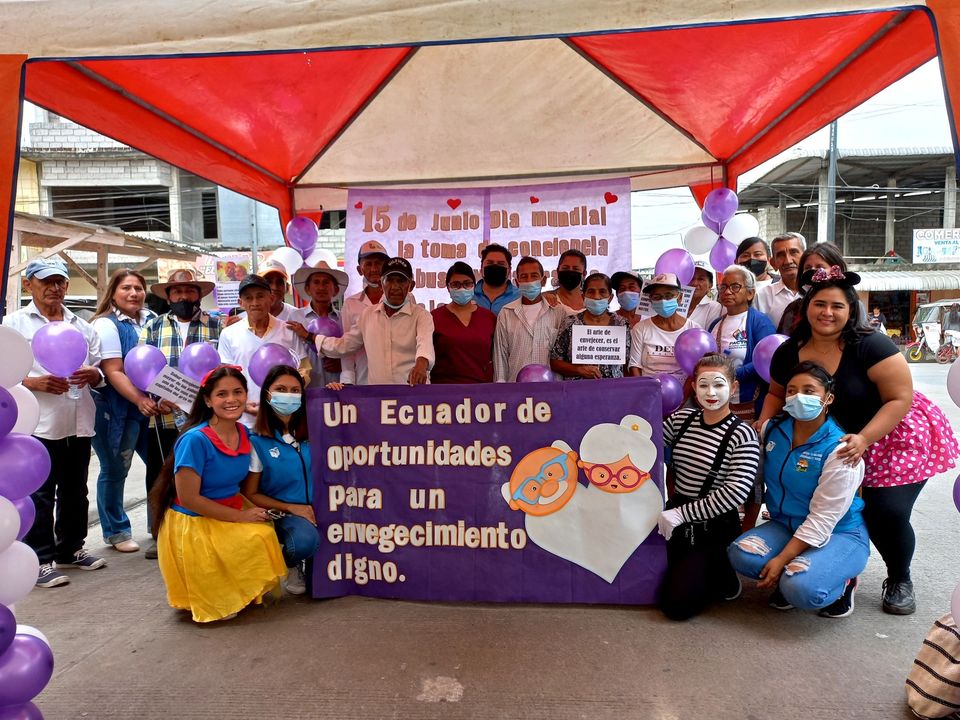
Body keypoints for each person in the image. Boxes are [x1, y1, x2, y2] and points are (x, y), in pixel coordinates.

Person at [760, 266, 960, 615]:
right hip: (826, 440)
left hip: (889, 435)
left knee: (885, 512)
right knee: (818, 506)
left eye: (837, 305)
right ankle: (830, 573)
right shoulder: (789, 351)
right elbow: (776, 393)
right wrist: (764, 424)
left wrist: (866, 438)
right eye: (820, 304)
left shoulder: (871, 345)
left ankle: (899, 577)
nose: (827, 312)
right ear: (807, 307)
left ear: (851, 309)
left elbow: (900, 398)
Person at [729, 362, 869, 618]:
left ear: (828, 398)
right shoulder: (771, 430)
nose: (798, 397)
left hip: (838, 531)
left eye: (809, 390)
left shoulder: (840, 451)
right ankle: (794, 571)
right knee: (741, 555)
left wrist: (781, 559)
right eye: (792, 391)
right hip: (785, 524)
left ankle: (844, 582)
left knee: (801, 589)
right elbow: (753, 479)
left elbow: (823, 518)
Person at [150, 365, 286, 623]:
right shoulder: (195, 440)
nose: (231, 399)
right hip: (195, 521)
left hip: (230, 507)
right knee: (250, 540)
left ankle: (236, 587)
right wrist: (241, 517)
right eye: (222, 394)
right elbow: (190, 499)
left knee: (262, 534)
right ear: (207, 400)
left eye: (238, 392)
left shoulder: (244, 433)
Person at [3, 256, 107, 587]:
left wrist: (95, 375)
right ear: (28, 284)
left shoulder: (82, 326)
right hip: (36, 424)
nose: (54, 288)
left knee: (76, 489)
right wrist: (33, 382)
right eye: (46, 281)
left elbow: (101, 369)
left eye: (60, 281)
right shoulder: (13, 326)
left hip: (78, 420)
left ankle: (71, 549)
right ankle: (41, 559)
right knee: (41, 494)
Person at [656, 354, 760, 621]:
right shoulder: (682, 420)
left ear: (733, 387)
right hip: (675, 515)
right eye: (703, 385)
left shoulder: (743, 434)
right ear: (693, 386)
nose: (710, 393)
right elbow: (646, 440)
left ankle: (723, 574)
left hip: (713, 523)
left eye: (718, 384)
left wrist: (682, 514)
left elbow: (736, 491)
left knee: (676, 606)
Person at [140, 267, 221, 559]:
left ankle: (203, 528)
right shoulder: (153, 327)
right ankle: (160, 533)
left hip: (204, 418)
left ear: (198, 295)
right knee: (160, 476)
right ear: (168, 297)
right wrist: (154, 397)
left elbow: (222, 367)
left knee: (201, 474)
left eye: (189, 291)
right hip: (162, 417)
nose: (183, 296)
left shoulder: (217, 326)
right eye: (177, 292)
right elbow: (141, 364)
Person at [91, 268, 159, 553]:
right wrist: (140, 400)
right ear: (113, 293)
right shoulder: (106, 325)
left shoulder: (152, 319)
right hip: (115, 407)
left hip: (149, 408)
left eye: (138, 288)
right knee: (116, 467)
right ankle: (116, 531)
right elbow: (113, 370)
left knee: (159, 465)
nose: (133, 293)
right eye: (126, 288)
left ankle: (159, 525)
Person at [241, 365, 319, 596]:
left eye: (295, 390)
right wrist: (291, 507)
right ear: (267, 394)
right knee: (304, 542)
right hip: (284, 514)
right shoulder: (256, 441)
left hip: (320, 508)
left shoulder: (316, 431)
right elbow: (250, 493)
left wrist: (338, 392)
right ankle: (287, 561)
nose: (289, 395)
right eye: (281, 389)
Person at [318, 257, 434, 386]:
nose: (395, 287)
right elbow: (345, 345)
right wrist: (312, 338)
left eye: (401, 281)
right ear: (381, 284)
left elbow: (425, 345)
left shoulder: (422, 316)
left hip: (413, 394)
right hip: (378, 395)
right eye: (389, 280)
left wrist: (421, 364)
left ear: (411, 286)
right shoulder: (368, 315)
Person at [218, 274, 309, 425]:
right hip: (244, 418)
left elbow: (304, 369)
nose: (255, 303)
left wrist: (286, 400)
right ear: (241, 303)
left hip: (282, 417)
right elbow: (226, 376)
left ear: (271, 299)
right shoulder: (229, 334)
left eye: (260, 296)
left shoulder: (288, 330)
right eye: (248, 298)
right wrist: (242, 404)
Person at [708, 265, 776, 420]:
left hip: (749, 402)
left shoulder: (760, 322)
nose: (727, 292)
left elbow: (767, 361)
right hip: (718, 400)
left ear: (750, 293)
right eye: (723, 287)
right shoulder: (715, 324)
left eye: (735, 287)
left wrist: (733, 374)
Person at [493, 256, 568, 382]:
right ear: (517, 282)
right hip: (515, 388)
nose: (529, 281)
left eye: (534, 276)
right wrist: (501, 387)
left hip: (552, 388)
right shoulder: (506, 313)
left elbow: (564, 355)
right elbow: (500, 355)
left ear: (543, 281)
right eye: (524, 277)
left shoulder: (558, 312)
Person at [550, 273, 631, 379]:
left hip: (613, 388)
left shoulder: (621, 324)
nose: (596, 297)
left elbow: (627, 364)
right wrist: (578, 370)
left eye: (602, 291)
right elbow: (555, 362)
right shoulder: (570, 323)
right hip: (578, 388)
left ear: (610, 298)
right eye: (591, 291)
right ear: (583, 296)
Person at [431, 261, 496, 383]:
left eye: (467, 283)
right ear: (448, 288)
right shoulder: (434, 318)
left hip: (482, 390)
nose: (462, 288)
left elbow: (497, 357)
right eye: (456, 284)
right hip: (443, 390)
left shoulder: (488, 318)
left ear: (474, 286)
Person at [287, 260, 349, 388]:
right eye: (316, 282)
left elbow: (351, 352)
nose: (321, 287)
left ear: (335, 290)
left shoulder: (343, 318)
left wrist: (342, 364)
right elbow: (290, 353)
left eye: (326, 282)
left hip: (337, 387)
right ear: (308, 289)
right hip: (307, 387)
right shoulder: (295, 317)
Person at [627, 273, 700, 381]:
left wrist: (684, 391)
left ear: (680, 298)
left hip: (683, 389)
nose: (662, 301)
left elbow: (696, 368)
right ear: (651, 300)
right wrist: (643, 388)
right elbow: (635, 365)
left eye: (669, 295)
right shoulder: (641, 328)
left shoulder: (693, 329)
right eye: (657, 297)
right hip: (650, 389)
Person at [340, 240, 390, 386]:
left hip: (398, 381)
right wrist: (348, 381)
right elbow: (346, 347)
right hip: (363, 381)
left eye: (378, 263)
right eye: (368, 264)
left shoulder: (404, 299)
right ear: (359, 269)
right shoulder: (351, 304)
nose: (374, 269)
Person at [776, 242, 846, 335]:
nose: (813, 272)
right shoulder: (794, 309)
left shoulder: (852, 305)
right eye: (808, 268)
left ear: (836, 270)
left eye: (820, 267)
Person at [754, 232, 805, 328]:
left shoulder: (817, 292)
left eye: (793, 252)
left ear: (805, 257)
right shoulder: (762, 297)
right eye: (781, 255)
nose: (788, 261)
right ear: (773, 263)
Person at [473, 243, 520, 314]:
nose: (495, 267)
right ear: (481, 268)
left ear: (509, 270)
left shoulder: (519, 297)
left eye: (501, 264)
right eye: (490, 263)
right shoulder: (468, 295)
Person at [686, 261, 722, 329]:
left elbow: (709, 333)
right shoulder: (677, 304)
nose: (695, 283)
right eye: (692, 278)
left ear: (710, 285)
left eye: (701, 279)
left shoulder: (713, 307)